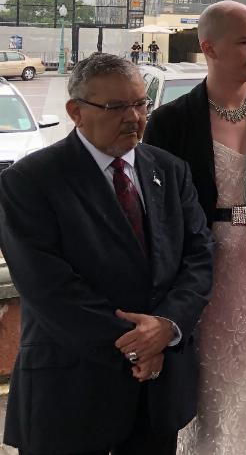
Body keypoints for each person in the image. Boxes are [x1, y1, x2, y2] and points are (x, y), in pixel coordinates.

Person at [0, 54, 213, 455]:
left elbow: (198, 257)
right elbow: (49, 290)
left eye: (140, 103)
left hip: (156, 397)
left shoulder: (169, 170)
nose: (133, 117)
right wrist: (138, 345)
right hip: (71, 393)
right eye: (116, 107)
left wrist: (167, 326)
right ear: (75, 112)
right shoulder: (28, 182)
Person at [143, 1, 246, 455]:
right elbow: (156, 215)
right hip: (201, 276)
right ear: (208, 48)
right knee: (210, 385)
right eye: (245, 42)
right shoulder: (170, 121)